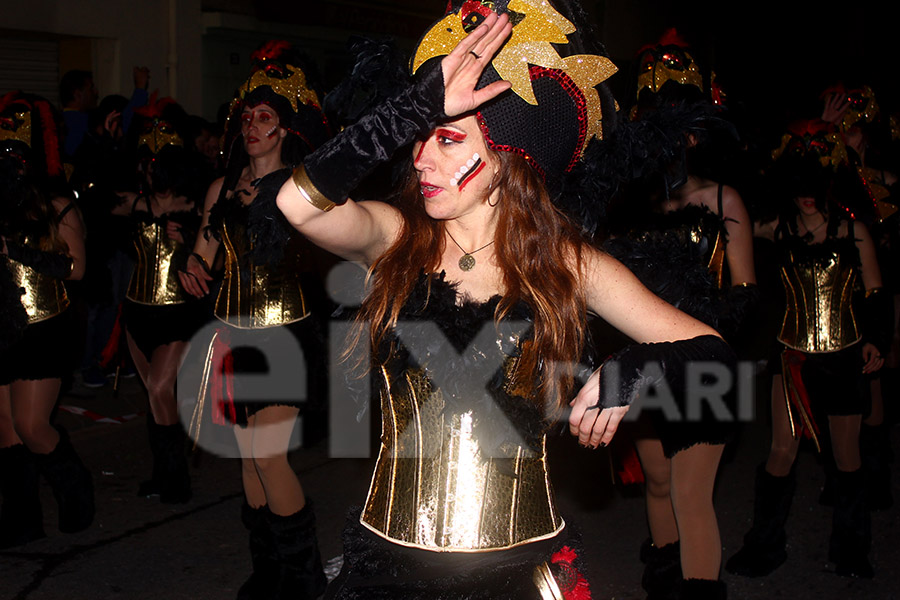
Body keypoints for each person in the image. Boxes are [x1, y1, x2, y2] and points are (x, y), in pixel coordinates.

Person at [276, 2, 736, 598]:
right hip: (385, 569)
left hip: (516, 574)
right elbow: (297, 205)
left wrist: (642, 366)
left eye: (445, 140)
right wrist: (413, 109)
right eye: (418, 140)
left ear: (506, 161)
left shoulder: (568, 266)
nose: (420, 159)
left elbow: (715, 356)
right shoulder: (395, 238)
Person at [597, 29, 757, 599]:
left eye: (681, 126)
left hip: (702, 368)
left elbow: (744, 292)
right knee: (658, 482)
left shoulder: (723, 200)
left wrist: (703, 338)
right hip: (643, 363)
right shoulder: (625, 207)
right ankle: (662, 583)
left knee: (692, 497)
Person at [178, 40, 334, 599]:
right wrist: (192, 267)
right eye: (246, 116)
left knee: (268, 455)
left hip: (285, 334)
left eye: (264, 117)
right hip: (231, 332)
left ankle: (305, 577)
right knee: (247, 461)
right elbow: (204, 253)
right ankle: (270, 571)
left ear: (285, 128)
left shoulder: (301, 189)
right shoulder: (221, 187)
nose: (251, 125)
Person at [726, 118, 889, 579]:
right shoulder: (775, 230)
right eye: (798, 185)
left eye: (813, 185)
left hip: (844, 358)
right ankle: (764, 547)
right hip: (793, 356)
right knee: (780, 450)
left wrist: (878, 340)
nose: (806, 195)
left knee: (846, 458)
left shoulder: (855, 233)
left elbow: (876, 293)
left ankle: (852, 550)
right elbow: (729, 211)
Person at [0, 91, 93, 548]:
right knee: (3, 430)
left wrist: (15, 250)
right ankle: (21, 519)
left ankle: (77, 493)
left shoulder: (58, 203)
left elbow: (76, 269)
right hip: (2, 324)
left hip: (46, 326)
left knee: (32, 426)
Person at [111, 95, 206, 503]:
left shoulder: (195, 207)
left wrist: (188, 244)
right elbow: (87, 190)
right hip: (137, 310)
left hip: (177, 314)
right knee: (153, 392)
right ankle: (162, 473)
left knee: (159, 390)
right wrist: (111, 142)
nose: (149, 170)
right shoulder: (133, 204)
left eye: (155, 163)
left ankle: (176, 478)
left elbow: (218, 254)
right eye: (144, 163)